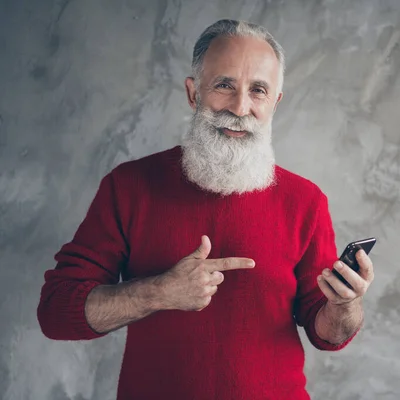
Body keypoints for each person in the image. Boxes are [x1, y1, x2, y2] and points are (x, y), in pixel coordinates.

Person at [37, 19, 375, 400]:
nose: (240, 107)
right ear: (193, 92)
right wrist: (159, 292)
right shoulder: (129, 186)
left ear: (275, 102)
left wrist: (345, 305)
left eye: (258, 91)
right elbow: (56, 311)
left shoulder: (306, 200)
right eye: (224, 85)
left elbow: (326, 333)